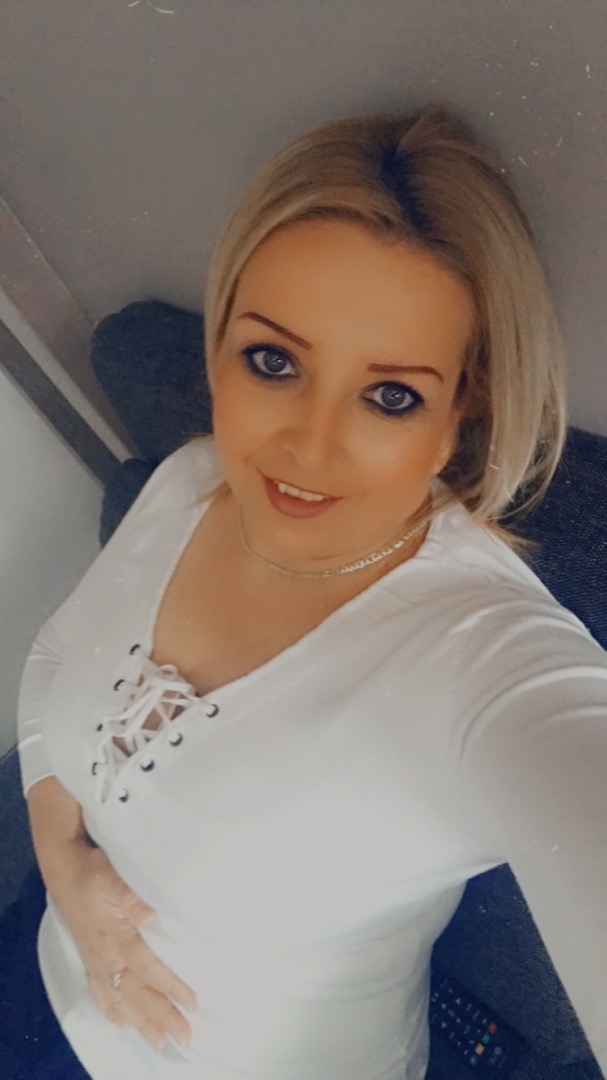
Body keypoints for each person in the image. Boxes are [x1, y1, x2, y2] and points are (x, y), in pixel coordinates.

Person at [17, 104, 607, 1080]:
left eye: (390, 395)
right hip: (56, 977)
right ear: (220, 345)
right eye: (273, 361)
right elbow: (51, 658)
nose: (308, 446)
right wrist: (65, 869)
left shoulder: (484, 659)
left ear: (460, 411)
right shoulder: (189, 482)